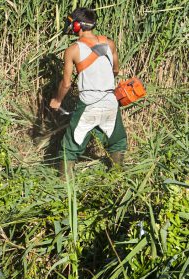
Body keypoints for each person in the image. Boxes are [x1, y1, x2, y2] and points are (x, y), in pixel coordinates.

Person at [49, 7, 127, 178]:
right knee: (117, 141)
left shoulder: (73, 50)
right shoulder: (110, 43)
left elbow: (66, 83)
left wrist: (57, 100)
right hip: (110, 101)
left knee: (69, 146)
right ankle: (118, 179)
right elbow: (115, 70)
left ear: (77, 26)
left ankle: (63, 186)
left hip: (89, 104)